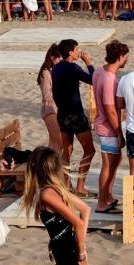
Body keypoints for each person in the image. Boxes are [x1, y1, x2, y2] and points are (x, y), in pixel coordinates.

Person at [51, 39, 96, 197]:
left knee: (67, 151)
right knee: (89, 150)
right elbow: (93, 80)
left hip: (62, 114)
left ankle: (66, 185)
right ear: (70, 52)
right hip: (75, 114)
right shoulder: (73, 67)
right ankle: (80, 187)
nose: (79, 52)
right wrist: (89, 63)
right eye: (77, 50)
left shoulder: (56, 68)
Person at [92, 40, 129, 213]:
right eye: (126, 56)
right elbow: (110, 109)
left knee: (115, 161)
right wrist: (119, 132)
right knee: (108, 164)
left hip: (104, 125)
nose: (127, 59)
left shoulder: (99, 71)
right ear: (120, 57)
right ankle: (101, 202)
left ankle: (107, 196)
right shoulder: (109, 78)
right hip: (108, 128)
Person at [38, 44, 64, 153]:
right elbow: (47, 96)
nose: (61, 62)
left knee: (54, 144)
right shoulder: (45, 73)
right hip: (50, 110)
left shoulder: (54, 70)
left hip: (56, 109)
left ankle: (49, 163)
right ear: (53, 58)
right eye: (60, 59)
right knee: (60, 142)